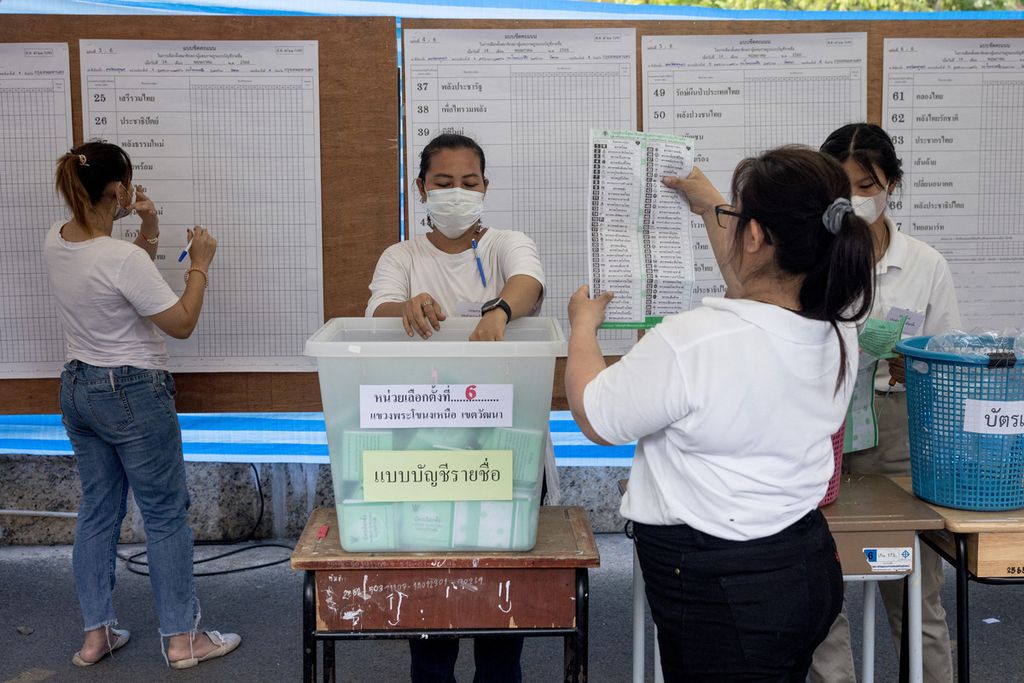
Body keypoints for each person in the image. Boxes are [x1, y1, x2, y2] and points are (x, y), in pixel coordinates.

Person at [566, 146, 876, 681]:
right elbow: (754, 289)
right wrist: (712, 204)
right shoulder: (839, 326)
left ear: (754, 235)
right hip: (806, 563)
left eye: (735, 217)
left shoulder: (692, 342)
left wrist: (581, 326)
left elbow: (597, 416)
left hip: (723, 586)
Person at [46, 141, 241, 669]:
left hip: (78, 389)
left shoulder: (57, 239)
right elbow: (178, 322)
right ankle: (183, 640)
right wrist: (199, 265)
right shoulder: (120, 258)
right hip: (132, 393)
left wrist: (148, 226)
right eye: (128, 185)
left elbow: (124, 276)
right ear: (117, 190)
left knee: (98, 511)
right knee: (164, 517)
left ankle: (96, 635)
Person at [367, 133, 547, 683]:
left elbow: (529, 282)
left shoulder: (504, 243)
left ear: (485, 188)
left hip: (503, 446)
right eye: (443, 183)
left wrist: (497, 311)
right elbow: (377, 309)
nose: (455, 194)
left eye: (468, 183)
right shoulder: (402, 255)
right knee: (431, 611)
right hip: (423, 451)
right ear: (421, 188)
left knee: (500, 608)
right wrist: (408, 307)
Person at [810, 123, 960, 683]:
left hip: (896, 440)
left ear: (891, 183)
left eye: (866, 184)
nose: (854, 199)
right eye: (841, 187)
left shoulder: (925, 265)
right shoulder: (810, 258)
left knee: (916, 600)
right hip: (817, 438)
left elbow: (951, 364)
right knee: (820, 597)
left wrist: (914, 364)